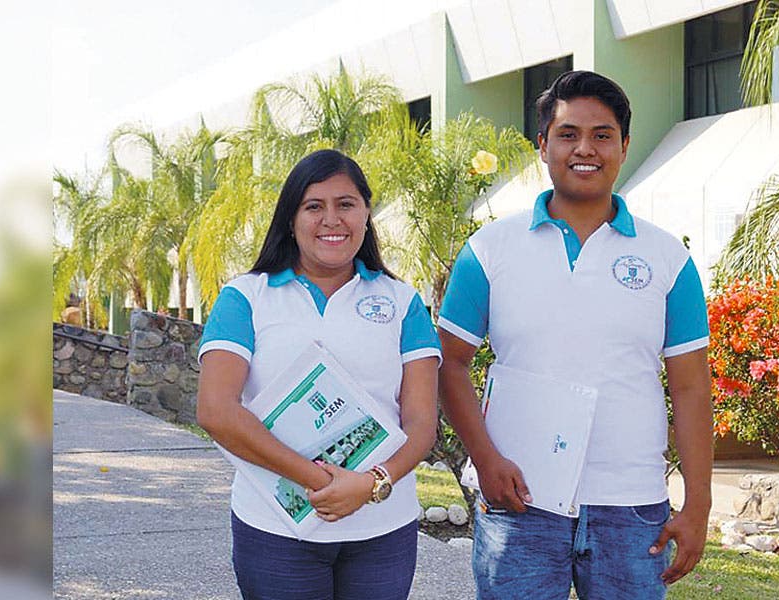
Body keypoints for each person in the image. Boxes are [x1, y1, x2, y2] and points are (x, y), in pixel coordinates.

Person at [437, 71, 713, 600]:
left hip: (631, 508)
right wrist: (486, 460)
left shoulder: (668, 259)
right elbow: (449, 363)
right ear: (543, 145)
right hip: (519, 500)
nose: (585, 149)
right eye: (568, 134)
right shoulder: (488, 250)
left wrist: (698, 502)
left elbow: (691, 386)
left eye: (602, 135)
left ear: (624, 146)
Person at [196, 149, 440, 600]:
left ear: (366, 213)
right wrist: (321, 481)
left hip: (382, 530)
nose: (332, 219)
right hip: (275, 529)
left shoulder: (403, 302)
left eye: (346, 204)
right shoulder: (245, 297)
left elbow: (422, 423)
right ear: (291, 219)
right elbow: (216, 411)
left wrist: (372, 484)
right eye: (314, 206)